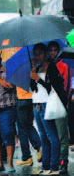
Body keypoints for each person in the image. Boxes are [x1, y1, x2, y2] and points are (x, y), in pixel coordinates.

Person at [30, 43, 67, 175]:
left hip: (47, 104)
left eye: (39, 53)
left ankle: (54, 166)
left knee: (52, 136)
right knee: (43, 137)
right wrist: (33, 73)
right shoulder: (38, 67)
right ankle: (45, 166)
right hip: (37, 104)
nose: (37, 56)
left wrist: (38, 79)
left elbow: (51, 87)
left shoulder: (51, 67)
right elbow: (33, 88)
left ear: (45, 53)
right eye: (35, 54)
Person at [48, 41, 72, 174]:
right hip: (49, 105)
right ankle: (55, 161)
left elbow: (67, 87)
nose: (52, 53)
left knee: (62, 135)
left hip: (60, 104)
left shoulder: (64, 66)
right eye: (50, 50)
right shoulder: (46, 66)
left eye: (54, 50)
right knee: (52, 135)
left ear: (58, 51)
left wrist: (65, 104)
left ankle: (64, 162)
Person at [15, 87, 42, 166]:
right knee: (28, 125)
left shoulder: (17, 74)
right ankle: (39, 147)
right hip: (32, 98)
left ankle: (26, 157)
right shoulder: (30, 73)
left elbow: (10, 85)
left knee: (22, 129)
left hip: (21, 98)